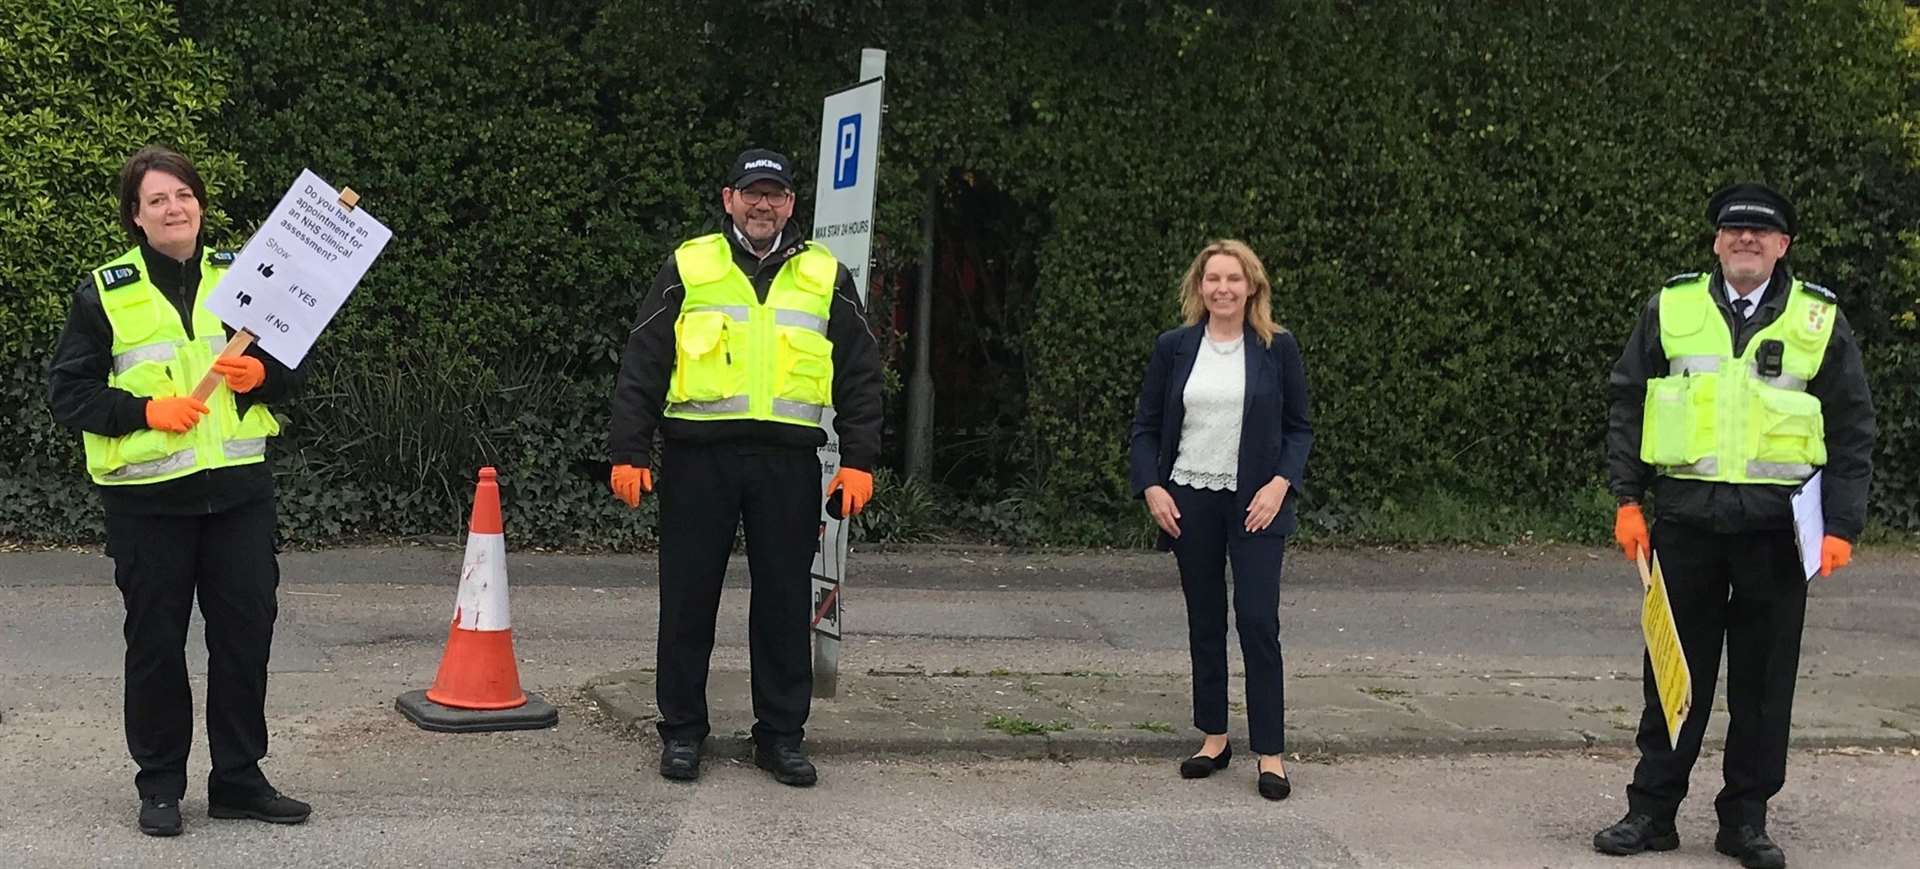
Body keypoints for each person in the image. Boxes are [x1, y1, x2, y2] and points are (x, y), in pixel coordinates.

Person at [1594, 182, 1877, 869]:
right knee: (1671, 677)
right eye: (1733, 230)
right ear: (1717, 241)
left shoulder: (1817, 320)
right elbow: (1628, 400)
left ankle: (1745, 820)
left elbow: (1853, 426)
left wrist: (1841, 524)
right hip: (1685, 525)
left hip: (1777, 537)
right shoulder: (1673, 306)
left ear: (1783, 246)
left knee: (1763, 683)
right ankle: (1652, 811)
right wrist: (1627, 498)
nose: (1745, 239)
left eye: (1761, 232)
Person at [47, 145, 312, 836]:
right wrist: (145, 411)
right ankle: (161, 783)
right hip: (150, 504)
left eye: (183, 195)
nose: (174, 207)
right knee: (158, 645)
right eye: (157, 199)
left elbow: (290, 364)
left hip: (238, 496)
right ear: (135, 217)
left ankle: (238, 779)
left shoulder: (241, 277)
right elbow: (67, 392)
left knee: (244, 635)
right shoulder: (105, 291)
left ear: (200, 203)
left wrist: (265, 378)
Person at [608, 147, 884, 787]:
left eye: (777, 195)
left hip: (788, 462)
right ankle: (681, 733)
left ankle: (781, 737)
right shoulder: (691, 264)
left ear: (792, 204)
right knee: (686, 599)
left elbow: (862, 373)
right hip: (698, 457)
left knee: (787, 603)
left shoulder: (824, 273)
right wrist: (629, 450)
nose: (764, 205)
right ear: (729, 198)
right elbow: (644, 360)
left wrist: (861, 460)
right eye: (752, 193)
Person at [1127, 239, 1313, 801]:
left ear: (1251, 286)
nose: (1223, 288)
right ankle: (1214, 738)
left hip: (1258, 502)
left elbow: (1299, 429)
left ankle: (1271, 754)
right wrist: (1152, 487)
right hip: (1190, 499)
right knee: (1205, 620)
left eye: (1234, 278)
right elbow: (1145, 427)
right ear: (1199, 287)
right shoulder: (1175, 348)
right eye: (1213, 279)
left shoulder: (1277, 348)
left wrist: (1280, 485)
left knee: (1258, 621)